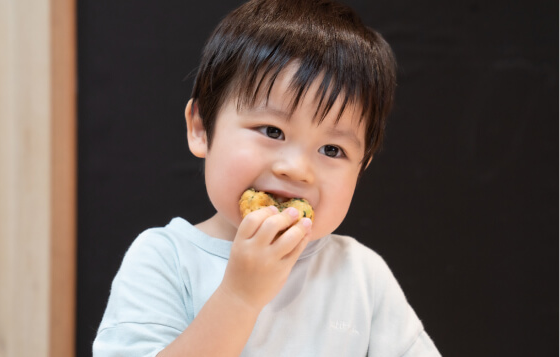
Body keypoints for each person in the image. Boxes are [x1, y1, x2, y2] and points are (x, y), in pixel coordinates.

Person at [93, 0, 441, 356]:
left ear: (362, 165)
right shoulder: (165, 261)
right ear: (201, 127)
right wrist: (239, 297)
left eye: (332, 150)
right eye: (272, 131)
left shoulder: (361, 275)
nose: (296, 169)